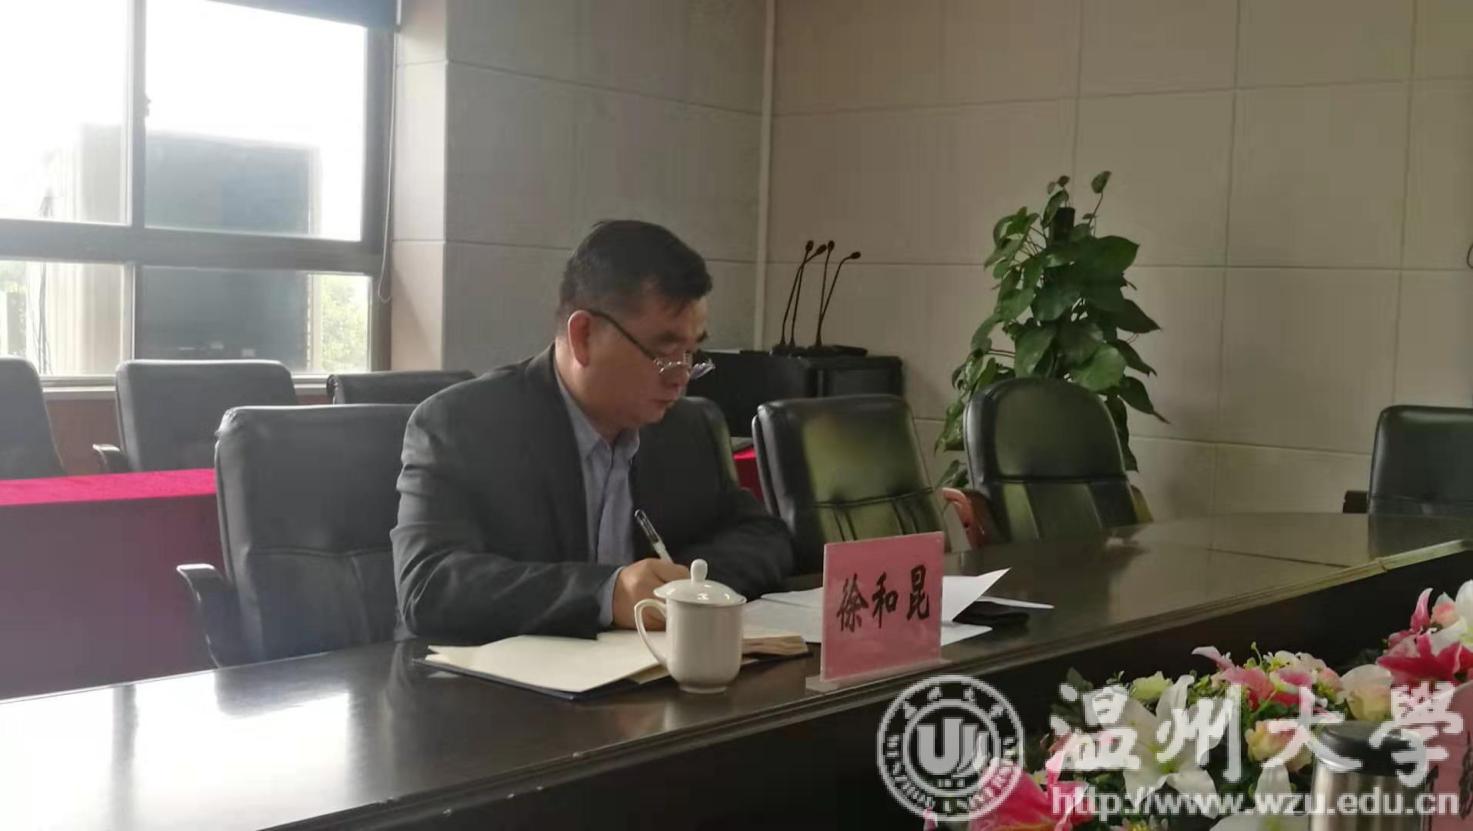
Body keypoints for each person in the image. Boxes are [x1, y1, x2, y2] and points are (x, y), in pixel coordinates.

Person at [392, 220, 793, 642]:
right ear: (583, 335)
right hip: (494, 677)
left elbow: (764, 536)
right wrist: (606, 593)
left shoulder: (686, 427)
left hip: (647, 672)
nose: (680, 377)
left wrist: (686, 588)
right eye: (664, 353)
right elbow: (429, 584)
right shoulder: (462, 425)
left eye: (692, 353)